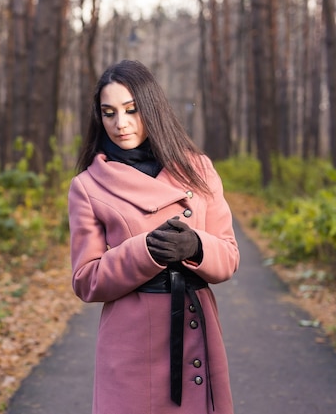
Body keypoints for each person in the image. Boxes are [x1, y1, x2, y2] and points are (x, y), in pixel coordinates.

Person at [68, 59, 240, 414]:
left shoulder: (199, 169)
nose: (121, 123)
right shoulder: (87, 186)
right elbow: (86, 280)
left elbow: (229, 257)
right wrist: (145, 251)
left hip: (194, 325)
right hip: (132, 341)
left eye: (131, 110)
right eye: (109, 112)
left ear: (152, 108)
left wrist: (196, 246)